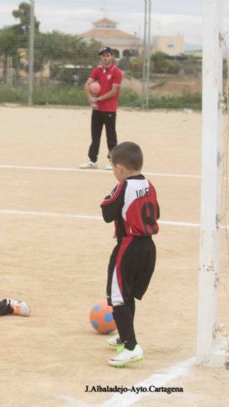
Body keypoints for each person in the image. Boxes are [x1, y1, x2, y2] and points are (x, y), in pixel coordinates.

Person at [100, 141, 159, 367]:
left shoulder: (123, 186)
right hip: (148, 247)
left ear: (119, 169)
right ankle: (125, 337)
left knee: (117, 296)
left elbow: (107, 212)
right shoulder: (149, 184)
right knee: (128, 294)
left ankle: (132, 346)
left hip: (129, 247)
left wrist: (110, 196)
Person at [79, 46, 123, 170]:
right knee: (95, 136)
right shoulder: (97, 70)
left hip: (109, 109)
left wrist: (98, 99)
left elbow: (114, 91)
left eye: (107, 55)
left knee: (111, 137)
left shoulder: (117, 72)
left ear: (112, 56)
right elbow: (87, 85)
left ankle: (113, 161)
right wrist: (90, 99)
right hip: (97, 109)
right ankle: (92, 160)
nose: (105, 58)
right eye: (103, 56)